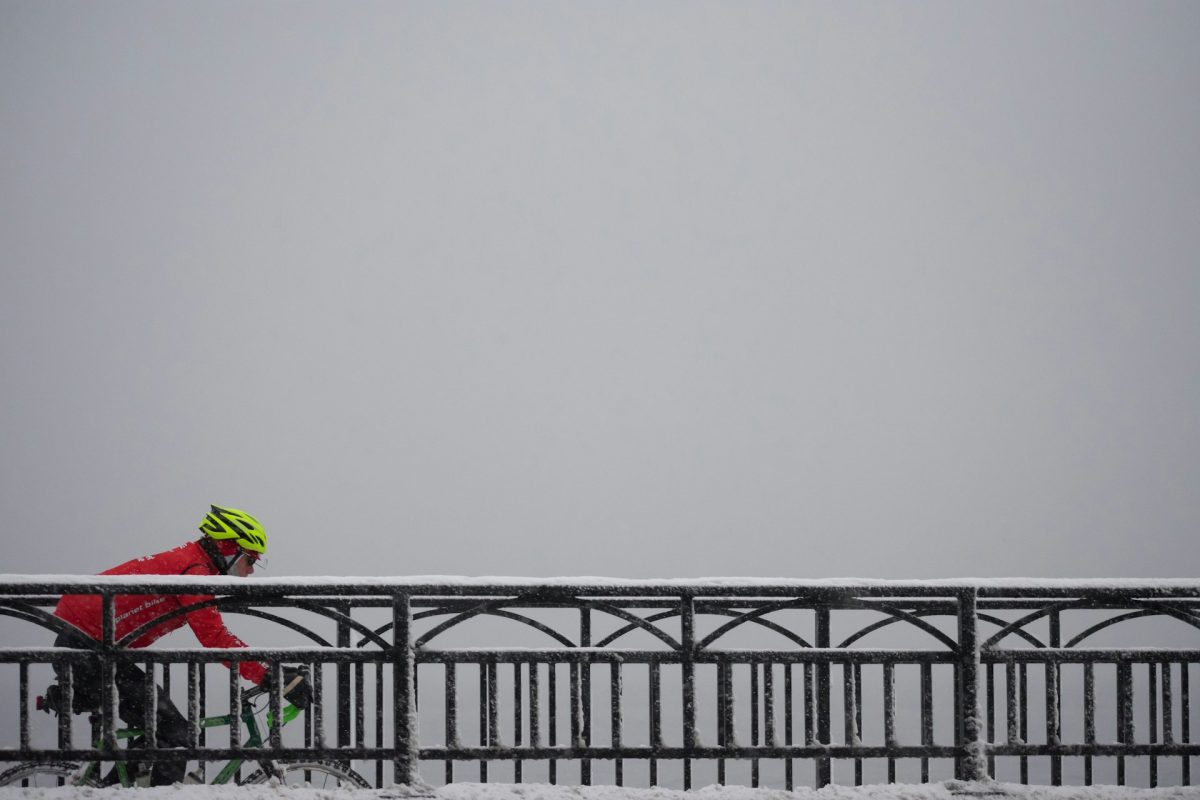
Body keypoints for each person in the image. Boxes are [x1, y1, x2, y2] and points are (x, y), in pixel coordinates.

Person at [51, 505, 310, 785]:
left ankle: (115, 789)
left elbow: (215, 633)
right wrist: (271, 676)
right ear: (227, 548)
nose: (250, 571)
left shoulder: (193, 564)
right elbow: (215, 637)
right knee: (175, 731)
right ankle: (154, 792)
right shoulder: (193, 571)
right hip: (86, 650)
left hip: (91, 648)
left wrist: (271, 673)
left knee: (162, 727)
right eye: (249, 559)